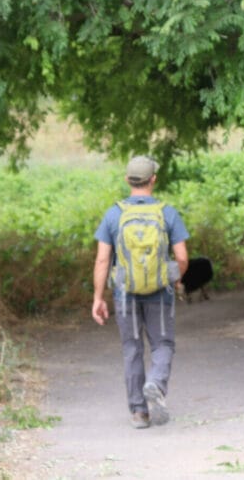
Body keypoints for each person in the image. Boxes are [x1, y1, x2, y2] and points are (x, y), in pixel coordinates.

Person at [92, 156, 189, 429]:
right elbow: (182, 257)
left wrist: (98, 298)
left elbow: (102, 260)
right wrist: (172, 277)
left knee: (132, 349)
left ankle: (139, 412)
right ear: (153, 180)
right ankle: (155, 383)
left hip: (125, 294)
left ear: (127, 180)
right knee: (162, 344)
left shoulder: (114, 214)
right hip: (160, 292)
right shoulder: (167, 213)